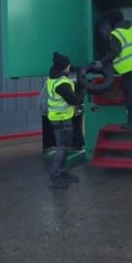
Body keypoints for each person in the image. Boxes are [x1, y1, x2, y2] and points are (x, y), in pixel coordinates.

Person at [96, 19, 132, 129]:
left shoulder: (116, 34)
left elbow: (115, 52)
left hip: (131, 67)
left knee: (130, 94)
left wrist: (102, 62)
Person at [46, 52, 84, 189]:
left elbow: (72, 68)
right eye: (68, 65)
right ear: (63, 67)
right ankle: (55, 176)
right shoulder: (62, 84)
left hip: (57, 117)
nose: (70, 67)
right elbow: (74, 100)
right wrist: (81, 88)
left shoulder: (54, 75)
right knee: (62, 149)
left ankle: (63, 172)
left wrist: (85, 68)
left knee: (65, 148)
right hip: (62, 119)